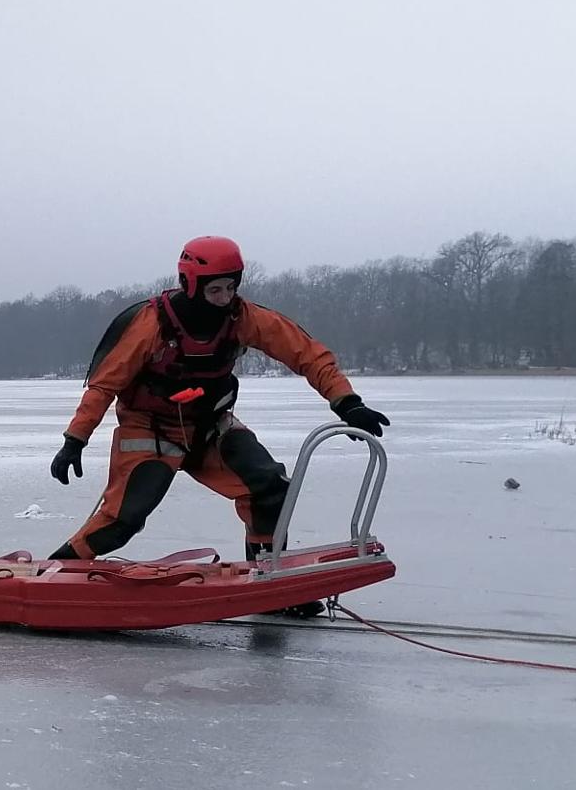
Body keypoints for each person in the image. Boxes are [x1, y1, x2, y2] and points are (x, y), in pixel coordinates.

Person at [45, 236, 390, 615]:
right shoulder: (150, 323)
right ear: (190, 284)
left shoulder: (243, 318)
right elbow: (103, 385)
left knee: (269, 487)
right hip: (151, 431)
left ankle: (267, 580)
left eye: (231, 287)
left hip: (211, 427)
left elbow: (307, 353)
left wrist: (347, 402)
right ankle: (53, 571)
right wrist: (75, 440)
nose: (225, 298)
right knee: (123, 521)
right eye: (215, 290)